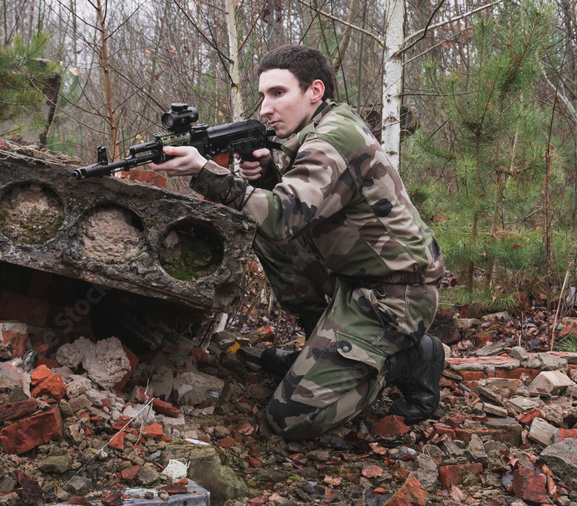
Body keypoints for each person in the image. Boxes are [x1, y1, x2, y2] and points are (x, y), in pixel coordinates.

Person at [151, 45, 445, 440]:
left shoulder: (332, 138)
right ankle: (319, 346)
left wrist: (206, 172)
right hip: (354, 276)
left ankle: (406, 360)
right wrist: (268, 175)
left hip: (393, 295)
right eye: (262, 96)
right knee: (267, 237)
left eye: (277, 93)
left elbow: (284, 217)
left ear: (315, 91)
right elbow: (299, 212)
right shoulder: (316, 130)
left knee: (289, 418)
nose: (265, 108)